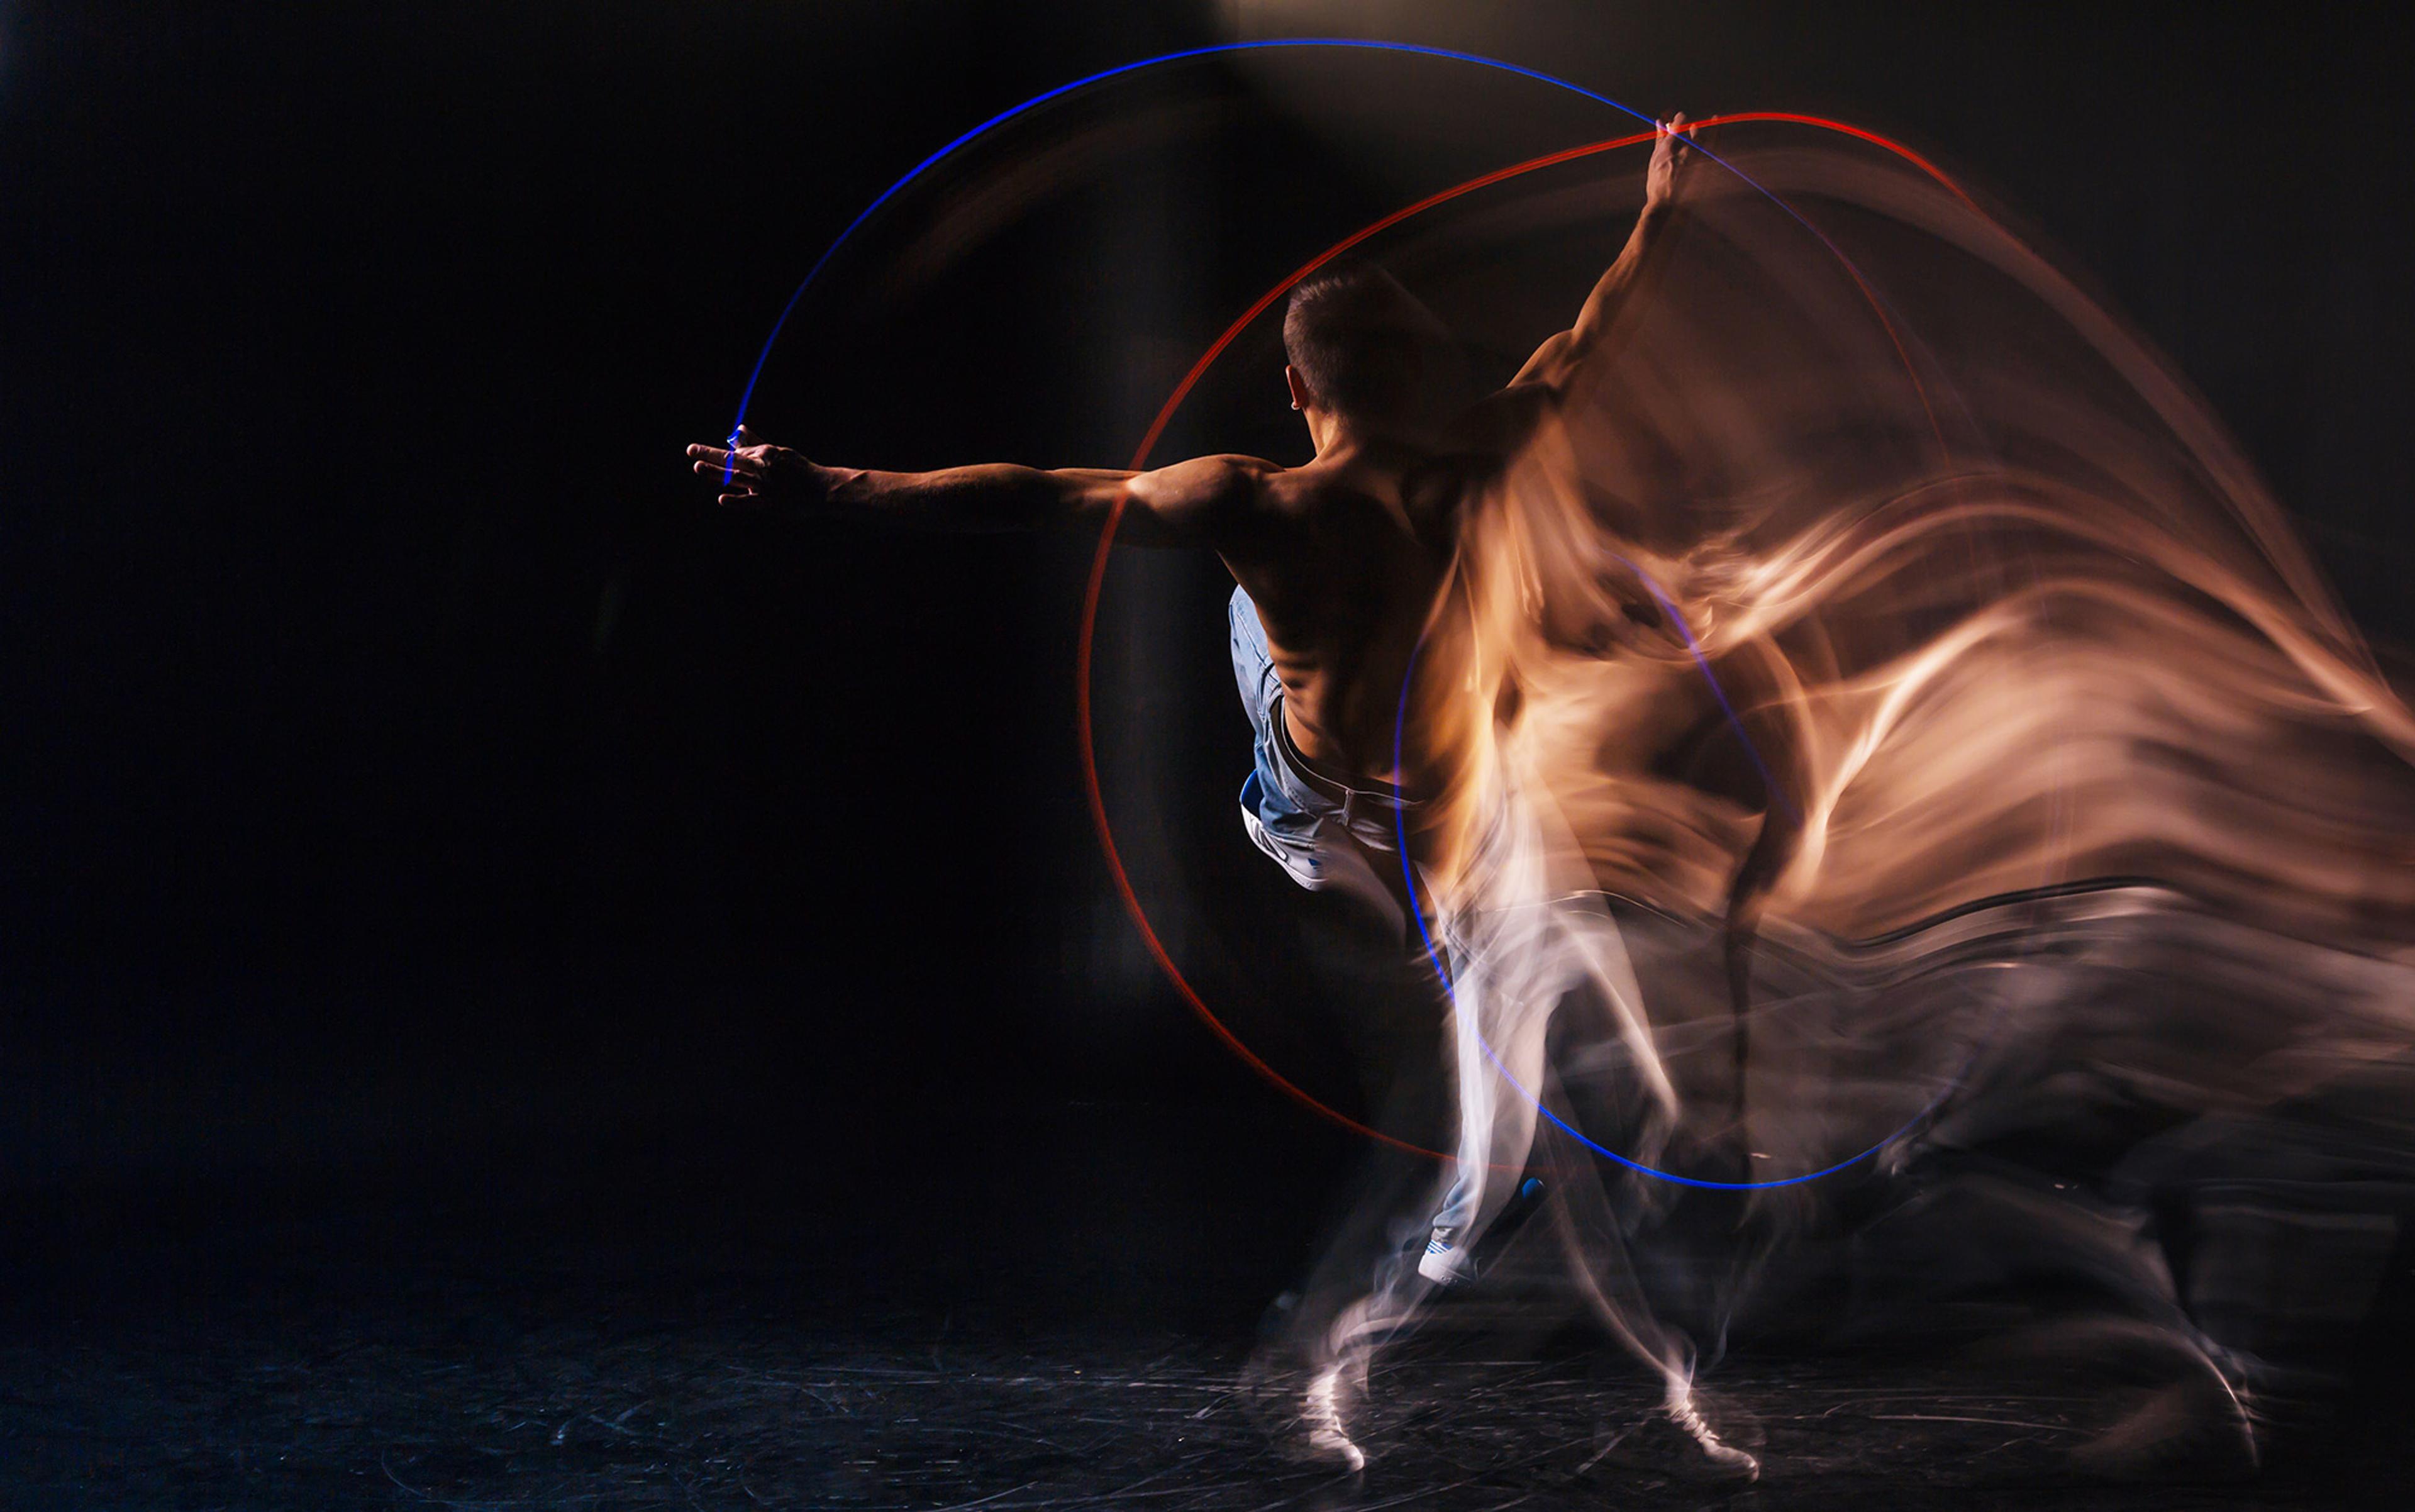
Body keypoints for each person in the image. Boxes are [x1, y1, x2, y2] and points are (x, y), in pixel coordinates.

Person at [686, 115, 1757, 1481]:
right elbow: (1589, 336)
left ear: (1300, 396)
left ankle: (1467, 1185)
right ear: (1416, 376)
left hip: (1313, 814)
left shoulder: (1254, 494)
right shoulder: (1481, 453)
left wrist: (831, 484)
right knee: (1508, 912)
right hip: (1445, 803)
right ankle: (1468, 1193)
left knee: (1273, 633)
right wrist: (1663, 205)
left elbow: (1040, 493)